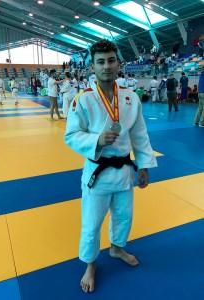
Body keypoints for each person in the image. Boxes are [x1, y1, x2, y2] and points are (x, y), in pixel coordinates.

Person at [64, 39, 157, 293]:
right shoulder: (83, 99)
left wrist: (145, 165)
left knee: (124, 216)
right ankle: (90, 264)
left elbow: (139, 133)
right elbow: (71, 135)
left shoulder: (129, 97)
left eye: (111, 60)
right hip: (98, 172)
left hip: (125, 171)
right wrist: (96, 139)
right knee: (92, 222)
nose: (107, 66)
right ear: (92, 66)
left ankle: (116, 248)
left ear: (119, 63)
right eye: (101, 62)